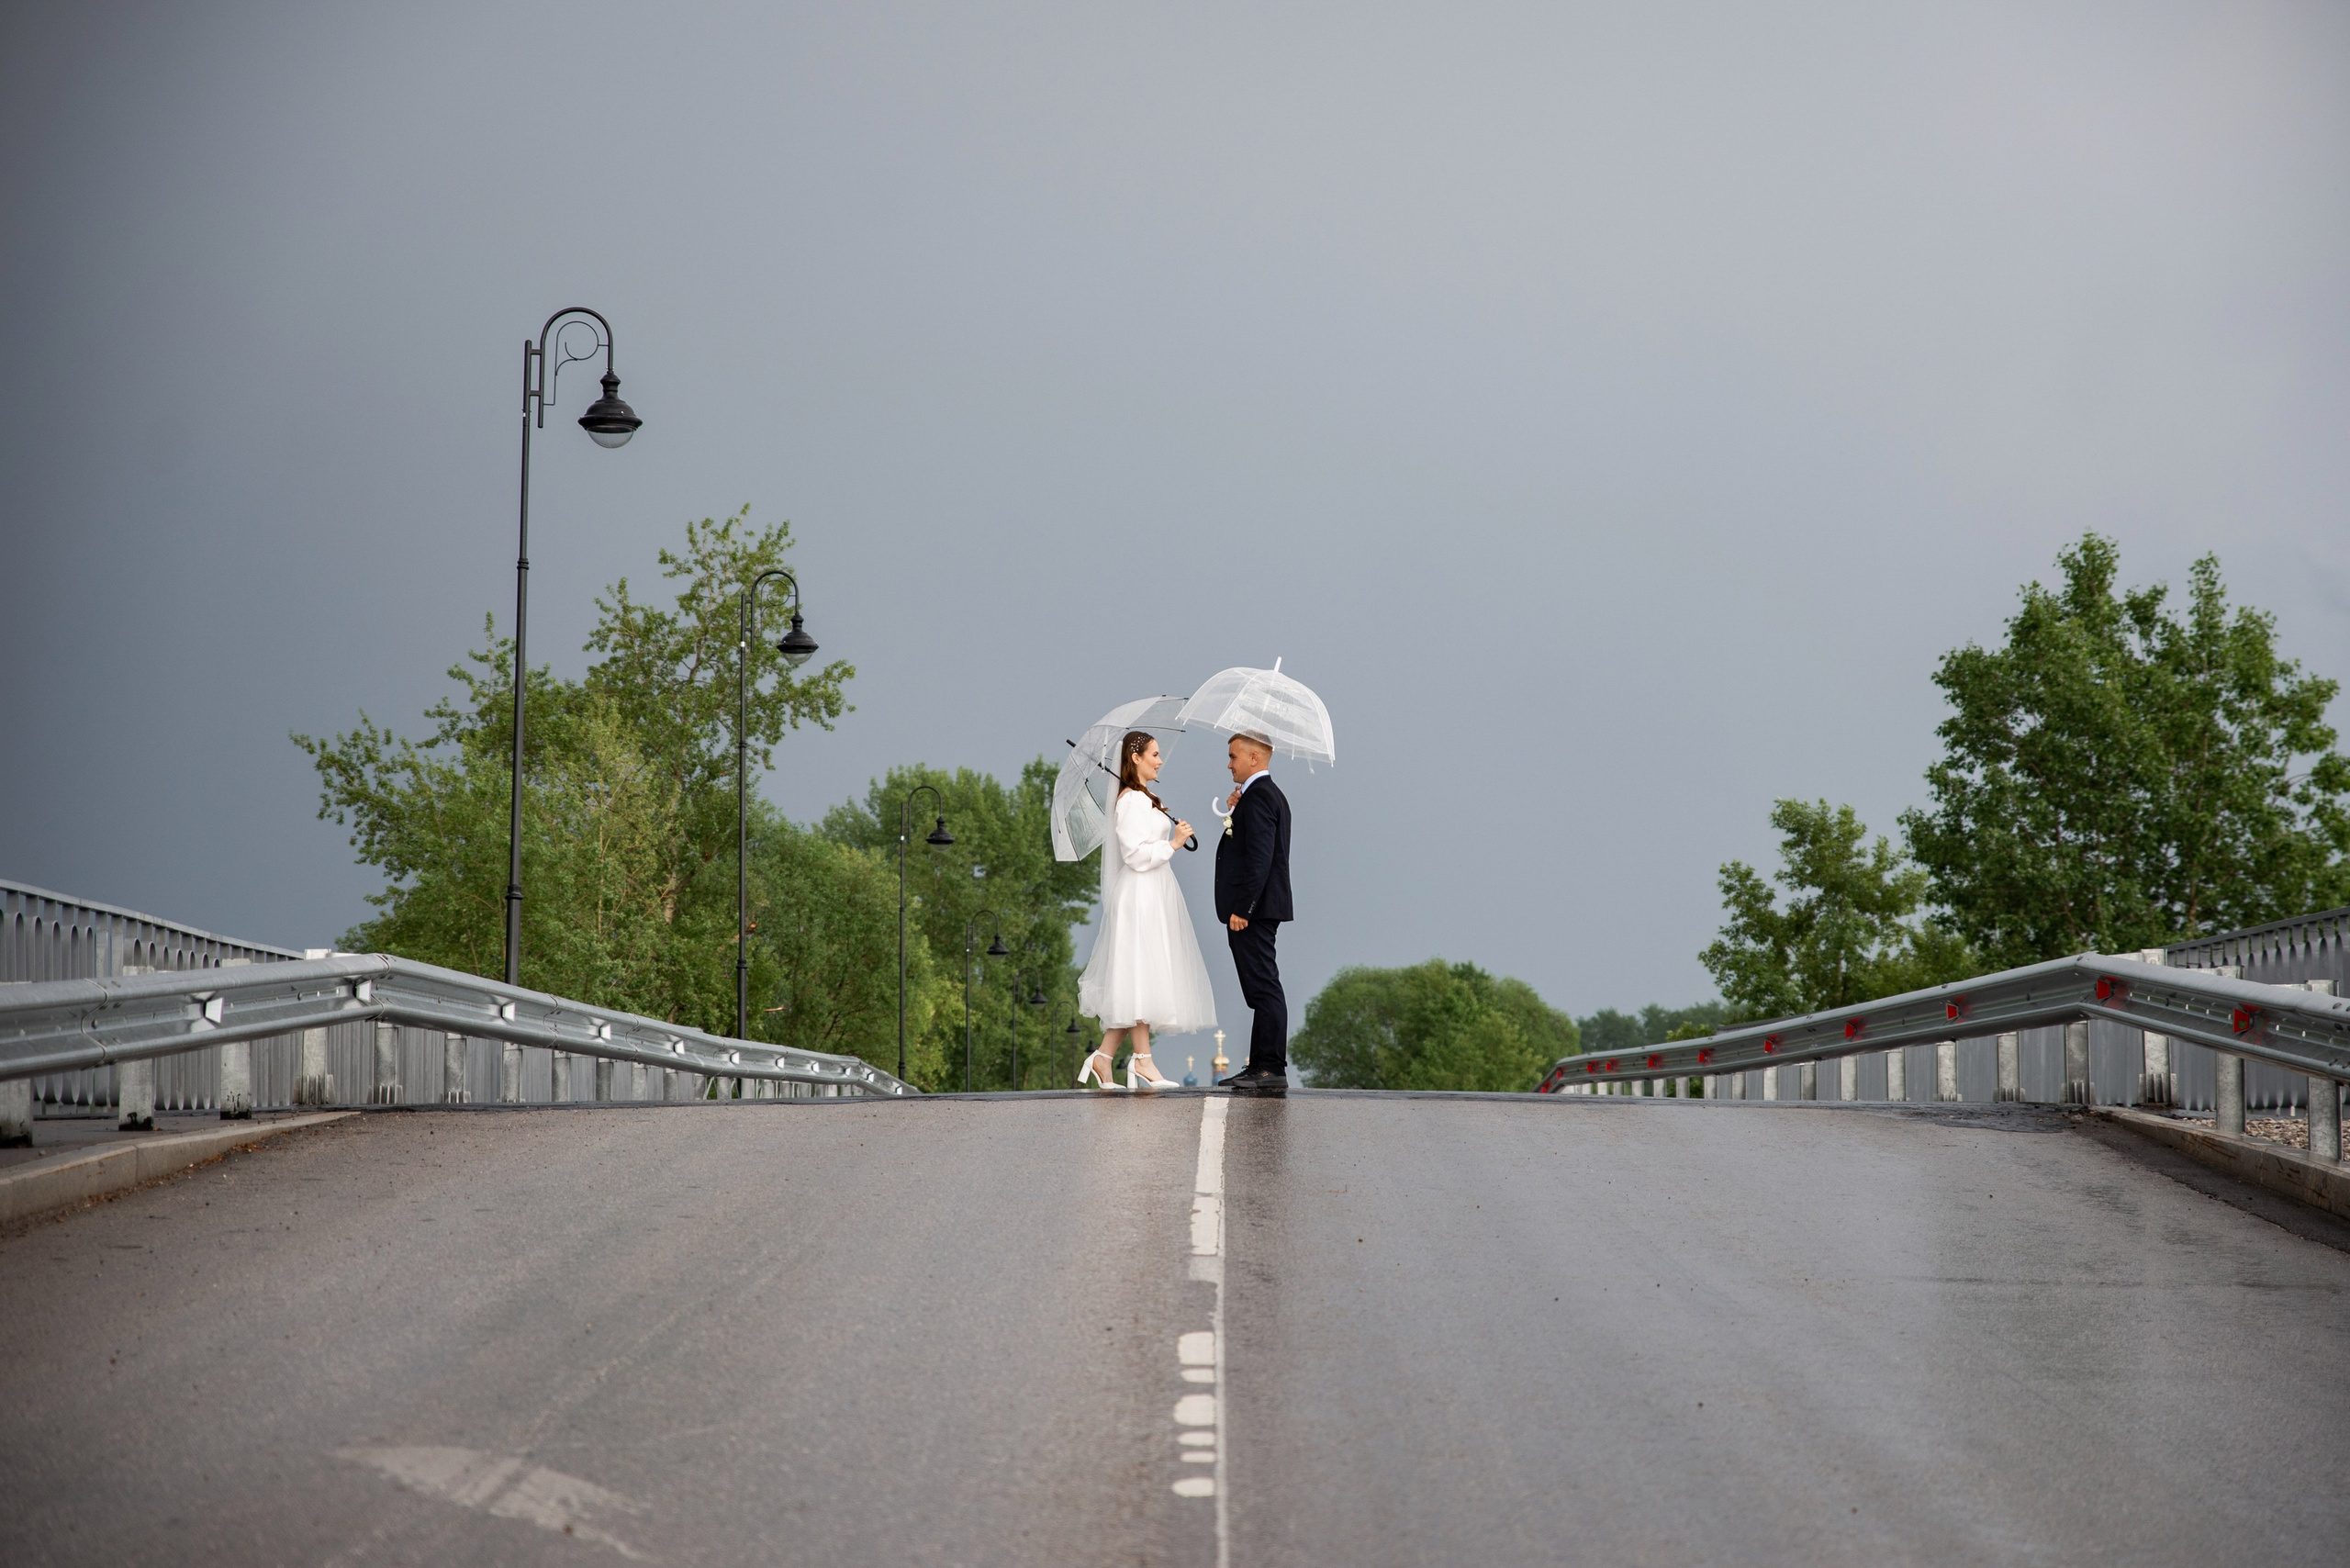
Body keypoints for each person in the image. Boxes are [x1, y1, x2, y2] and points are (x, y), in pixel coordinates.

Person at [1075, 732, 1218, 1092]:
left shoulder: (1145, 799)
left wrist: (1170, 834)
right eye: (1154, 754)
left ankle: (1103, 1057)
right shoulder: (1130, 801)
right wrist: (1173, 843)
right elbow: (1135, 856)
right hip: (1140, 894)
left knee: (1140, 979)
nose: (1160, 760)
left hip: (1155, 891)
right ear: (1135, 757)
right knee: (1140, 975)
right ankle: (1142, 1060)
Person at [1214, 733, 1292, 1096]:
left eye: (1234, 756)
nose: (1229, 764)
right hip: (1258, 907)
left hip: (1254, 911)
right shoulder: (1259, 795)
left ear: (1255, 757)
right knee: (1260, 987)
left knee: (1264, 986)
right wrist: (1234, 811)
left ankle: (1271, 1067)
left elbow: (1260, 858)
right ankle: (1261, 1064)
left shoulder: (1261, 796)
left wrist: (1244, 908)